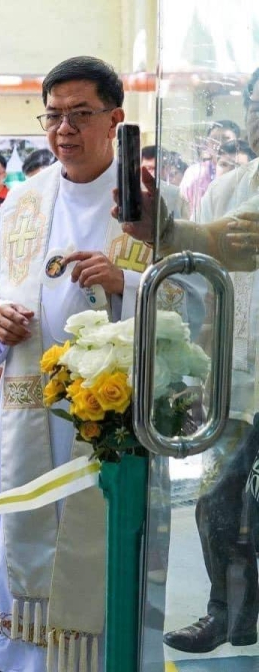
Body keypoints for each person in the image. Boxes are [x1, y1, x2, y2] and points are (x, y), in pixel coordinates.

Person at [0, 56, 183, 672]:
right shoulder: (26, 201)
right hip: (30, 410)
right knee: (25, 542)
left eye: (81, 114)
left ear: (115, 119)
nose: (65, 129)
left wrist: (128, 281)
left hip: (114, 418)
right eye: (53, 116)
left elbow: (192, 298)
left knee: (104, 551)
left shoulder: (146, 204)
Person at [154, 65, 259, 655]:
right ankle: (230, 613)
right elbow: (214, 290)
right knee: (220, 499)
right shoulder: (228, 186)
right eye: (255, 106)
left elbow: (219, 241)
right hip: (240, 377)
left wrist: (174, 232)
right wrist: (204, 372)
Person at [180, 119, 243, 216]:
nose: (219, 144)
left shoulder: (244, 170)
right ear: (207, 144)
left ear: (238, 142)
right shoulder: (194, 173)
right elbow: (182, 207)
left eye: (226, 138)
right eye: (214, 139)